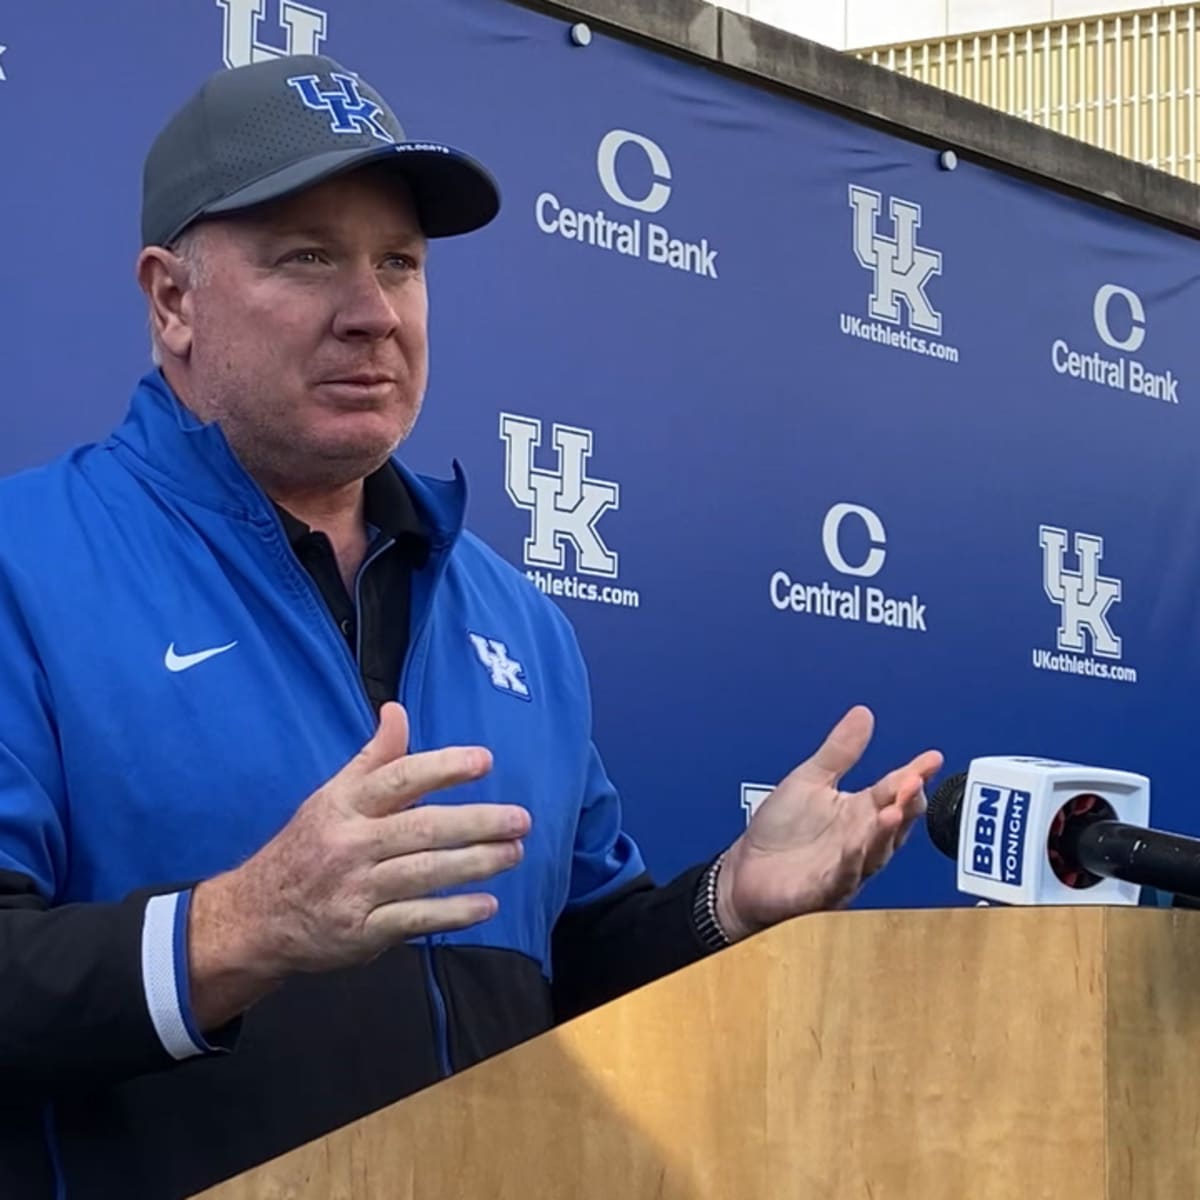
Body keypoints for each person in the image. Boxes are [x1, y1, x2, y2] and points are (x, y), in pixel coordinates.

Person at [0, 54, 942, 1200]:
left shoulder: (514, 613)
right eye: (309, 257)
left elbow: (568, 973)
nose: (373, 312)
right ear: (173, 300)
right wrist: (244, 925)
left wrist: (727, 902)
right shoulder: (27, 562)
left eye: (400, 263)